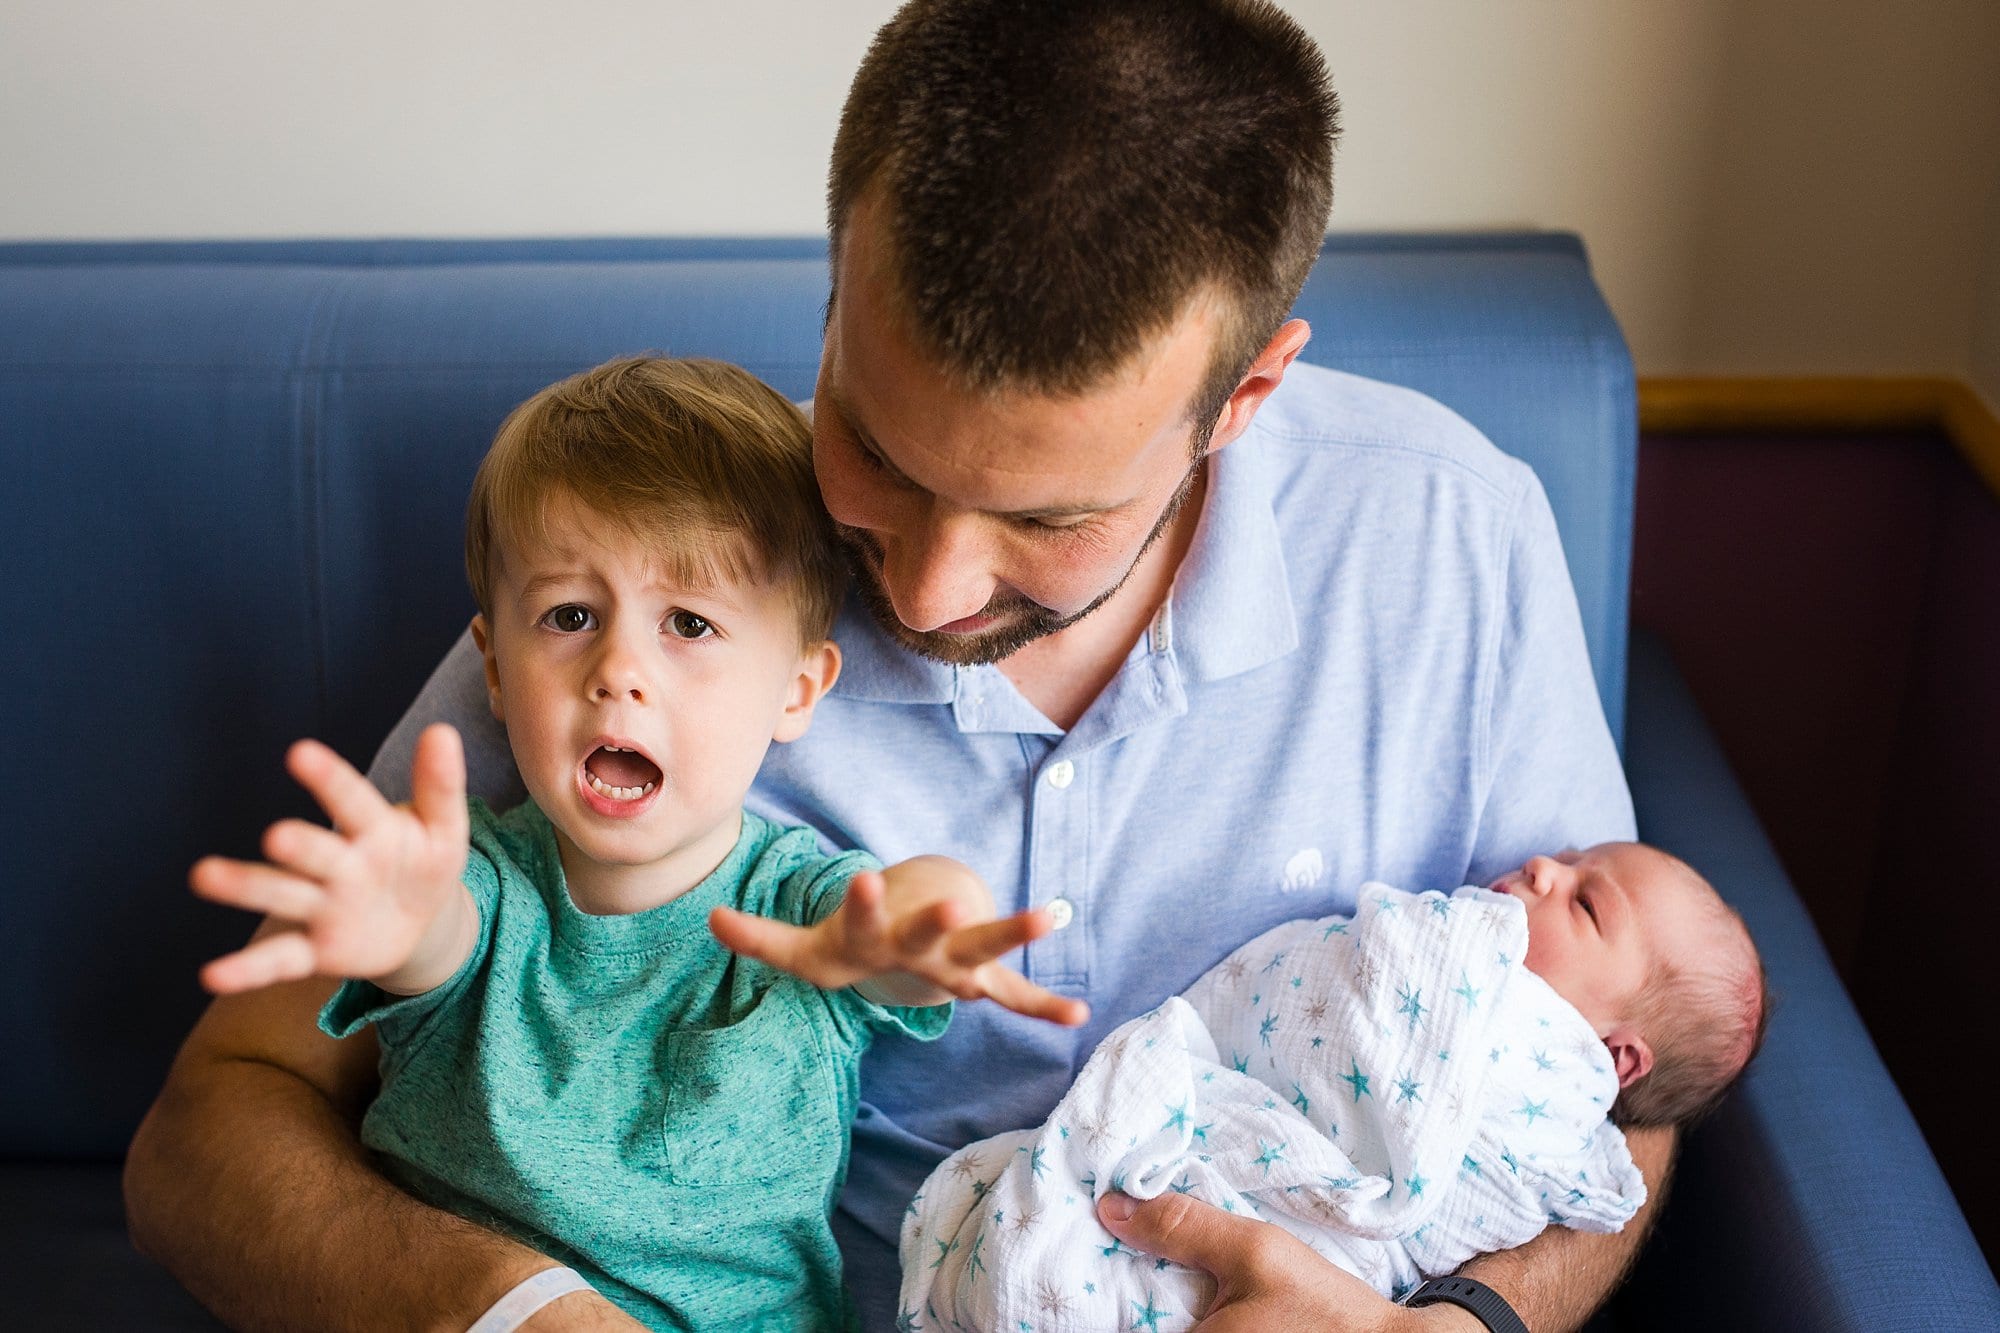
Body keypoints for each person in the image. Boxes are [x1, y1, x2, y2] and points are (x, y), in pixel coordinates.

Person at [125, 3, 1668, 1330]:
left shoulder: (1451, 542)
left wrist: (1464, 1320)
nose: (925, 585)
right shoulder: (672, 574)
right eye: (873, 443)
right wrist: (509, 1306)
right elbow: (213, 1125)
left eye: (1049, 518)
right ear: (836, 276)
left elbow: (1633, 1093)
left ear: (1247, 393)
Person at [183, 356, 1086, 1331]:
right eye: (569, 616)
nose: (617, 671)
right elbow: (437, 937)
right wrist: (394, 920)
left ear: (797, 689)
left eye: (688, 624)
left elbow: (892, 930)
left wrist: (923, 925)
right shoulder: (475, 883)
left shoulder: (798, 907)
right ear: (492, 667)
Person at [900, 844, 1767, 1331]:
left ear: (1614, 1061)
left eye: (1584, 904)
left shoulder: (1552, 1079)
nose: (1544, 866)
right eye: (1574, 862)